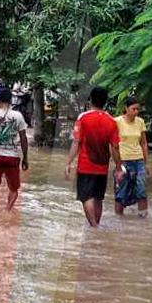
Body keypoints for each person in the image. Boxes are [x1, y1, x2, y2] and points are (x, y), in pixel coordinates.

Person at [63, 86, 120, 229]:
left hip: (85, 166)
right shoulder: (112, 121)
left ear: (91, 100)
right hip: (102, 168)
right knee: (98, 198)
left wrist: (68, 163)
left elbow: (76, 142)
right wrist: (119, 168)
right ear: (105, 102)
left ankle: (94, 226)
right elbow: (115, 148)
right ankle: (97, 226)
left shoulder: (83, 118)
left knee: (86, 197)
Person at [114, 95, 150, 217]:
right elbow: (112, 144)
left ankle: (143, 218)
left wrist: (146, 163)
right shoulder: (117, 122)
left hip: (139, 160)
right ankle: (118, 219)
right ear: (126, 108)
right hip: (123, 161)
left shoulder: (140, 122)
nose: (136, 112)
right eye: (133, 109)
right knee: (121, 192)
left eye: (137, 109)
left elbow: (144, 143)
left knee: (141, 190)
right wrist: (117, 164)